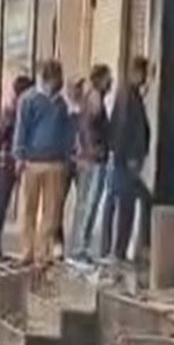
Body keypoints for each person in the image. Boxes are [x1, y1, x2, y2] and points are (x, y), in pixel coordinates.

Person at [12, 60, 73, 266]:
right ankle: (27, 251)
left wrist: (67, 157)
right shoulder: (29, 100)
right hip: (32, 162)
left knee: (51, 211)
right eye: (55, 79)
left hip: (56, 163)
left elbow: (66, 133)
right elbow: (22, 129)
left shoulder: (60, 104)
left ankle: (41, 252)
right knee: (28, 208)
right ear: (47, 78)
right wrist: (19, 156)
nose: (58, 84)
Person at [0, 74, 34, 261]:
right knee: (0, 206)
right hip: (5, 163)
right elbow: (0, 135)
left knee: (1, 206)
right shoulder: (14, 112)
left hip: (7, 162)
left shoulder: (16, 110)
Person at [108, 55, 153, 263]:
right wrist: (128, 157)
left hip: (127, 160)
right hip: (126, 161)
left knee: (134, 202)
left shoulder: (131, 94)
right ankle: (121, 250)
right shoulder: (128, 95)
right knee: (127, 205)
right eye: (144, 74)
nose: (146, 79)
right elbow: (124, 128)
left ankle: (125, 249)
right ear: (136, 73)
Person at [68, 65, 112, 259]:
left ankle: (79, 246)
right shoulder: (94, 98)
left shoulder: (92, 98)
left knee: (86, 202)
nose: (111, 82)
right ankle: (80, 248)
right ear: (99, 79)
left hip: (89, 158)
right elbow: (90, 128)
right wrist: (96, 148)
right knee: (89, 202)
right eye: (108, 78)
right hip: (93, 159)